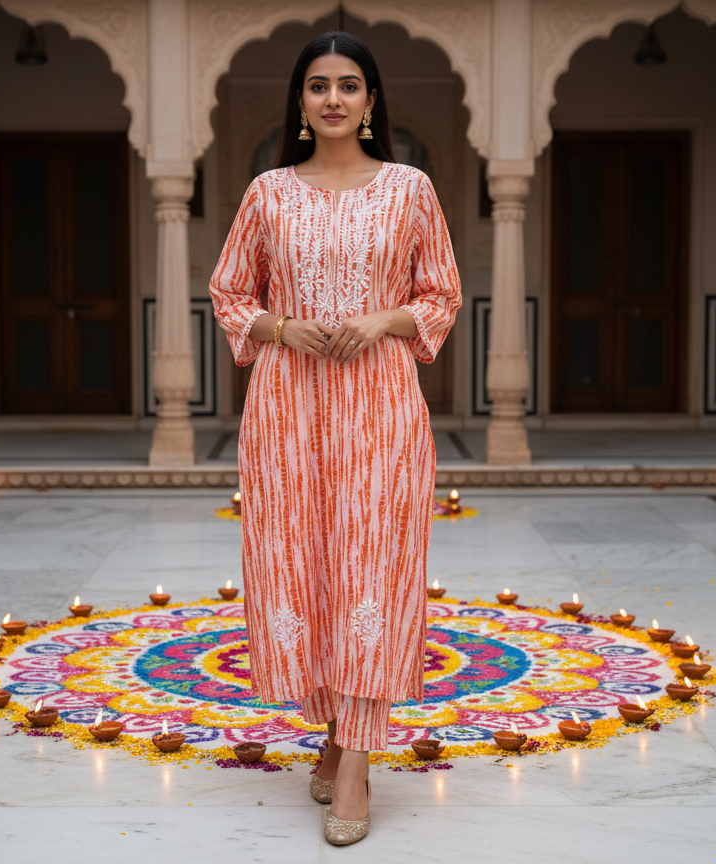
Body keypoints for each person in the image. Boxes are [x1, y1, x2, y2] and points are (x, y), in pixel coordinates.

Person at [209, 29, 461, 846]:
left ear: (372, 101)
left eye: (349, 85)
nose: (333, 98)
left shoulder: (410, 189)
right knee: (308, 566)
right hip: (287, 408)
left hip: (381, 402)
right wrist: (281, 327)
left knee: (375, 568)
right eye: (318, 85)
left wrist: (384, 317)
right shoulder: (267, 194)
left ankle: (355, 759)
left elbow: (442, 292)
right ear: (301, 104)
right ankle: (331, 730)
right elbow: (228, 291)